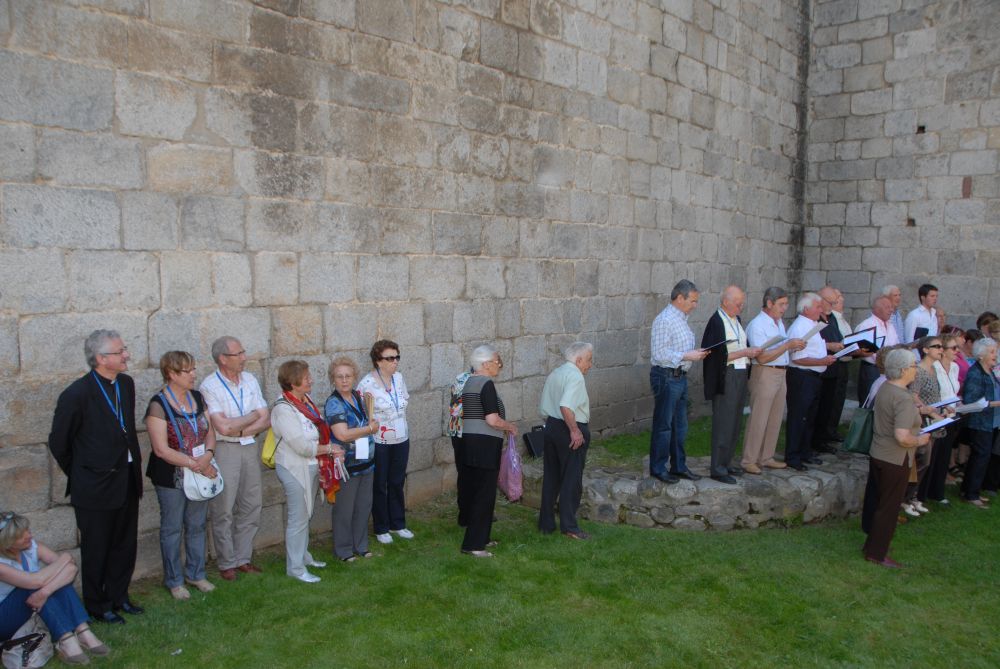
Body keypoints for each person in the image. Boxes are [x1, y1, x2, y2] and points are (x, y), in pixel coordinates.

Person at [48, 329, 143, 625]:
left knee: (124, 544)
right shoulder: (76, 394)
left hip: (127, 478)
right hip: (95, 487)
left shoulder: (125, 384)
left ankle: (119, 596)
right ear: (101, 359)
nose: (126, 355)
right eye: (120, 351)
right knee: (97, 548)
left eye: (124, 349)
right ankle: (97, 605)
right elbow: (59, 442)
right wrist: (84, 473)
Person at [145, 351, 218, 600]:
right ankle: (174, 580)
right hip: (172, 476)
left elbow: (209, 430)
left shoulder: (197, 397)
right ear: (171, 374)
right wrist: (196, 464)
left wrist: (207, 455)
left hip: (200, 470)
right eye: (187, 371)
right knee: (172, 528)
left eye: (193, 369)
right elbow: (160, 449)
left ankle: (196, 574)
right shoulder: (158, 405)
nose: (193, 374)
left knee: (197, 524)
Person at [198, 336, 270, 581]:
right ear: (222, 359)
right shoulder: (210, 386)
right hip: (225, 449)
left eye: (243, 352)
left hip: (249, 446)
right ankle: (226, 561)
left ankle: (243, 557)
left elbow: (266, 417)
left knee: (252, 503)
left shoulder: (250, 379)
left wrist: (240, 427)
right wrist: (250, 418)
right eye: (238, 354)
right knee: (224, 507)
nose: (243, 358)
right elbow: (222, 427)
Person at [0, 513, 110, 664]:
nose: (29, 535)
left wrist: (46, 591)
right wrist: (65, 558)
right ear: (7, 543)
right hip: (4, 619)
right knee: (37, 583)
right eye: (21, 535)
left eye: (27, 529)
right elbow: (35, 581)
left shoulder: (32, 547)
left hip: (31, 603)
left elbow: (71, 569)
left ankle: (83, 631)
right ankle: (65, 638)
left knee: (53, 581)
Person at [271, 361, 342, 582]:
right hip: (294, 468)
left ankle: (303, 556)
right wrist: (328, 449)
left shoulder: (304, 401)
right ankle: (295, 568)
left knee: (305, 514)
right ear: (293, 382)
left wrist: (324, 450)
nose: (311, 379)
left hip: (311, 464)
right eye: (306, 377)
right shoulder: (284, 409)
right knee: (298, 518)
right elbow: (300, 446)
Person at [862, 349, 929, 568]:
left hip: (879, 452)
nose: (915, 369)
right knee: (888, 508)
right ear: (902, 370)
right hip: (894, 458)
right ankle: (877, 553)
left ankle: (873, 545)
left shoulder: (885, 387)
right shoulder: (902, 398)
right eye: (912, 366)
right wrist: (920, 440)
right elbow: (902, 436)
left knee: (878, 502)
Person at [457, 345, 518, 557]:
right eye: (495, 361)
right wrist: (509, 426)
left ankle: (482, 537)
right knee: (484, 494)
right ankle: (473, 545)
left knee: (477, 492)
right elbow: (492, 419)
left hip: (470, 442)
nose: (498, 365)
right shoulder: (486, 384)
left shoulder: (469, 382)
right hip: (484, 444)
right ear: (485, 364)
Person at [649, 280, 710, 483]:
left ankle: (678, 466)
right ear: (679, 298)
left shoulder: (681, 319)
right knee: (664, 425)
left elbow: (677, 349)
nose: (695, 305)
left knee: (680, 426)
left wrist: (694, 354)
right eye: (693, 301)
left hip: (679, 376)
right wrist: (688, 355)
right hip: (666, 376)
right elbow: (659, 353)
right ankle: (658, 468)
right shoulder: (664, 320)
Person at [700, 286, 761, 483]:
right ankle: (717, 468)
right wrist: (745, 353)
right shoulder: (716, 322)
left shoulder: (737, 320)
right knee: (724, 421)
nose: (741, 307)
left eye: (742, 303)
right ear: (726, 302)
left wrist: (747, 353)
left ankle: (727, 462)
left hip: (741, 372)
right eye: (738, 303)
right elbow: (714, 354)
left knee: (735, 420)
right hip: (727, 374)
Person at [741, 287, 806, 474]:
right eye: (781, 304)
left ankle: (766, 456)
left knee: (775, 417)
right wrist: (787, 345)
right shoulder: (757, 324)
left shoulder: (779, 323)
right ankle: (749, 459)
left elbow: (778, 349)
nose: (784, 308)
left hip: (780, 372)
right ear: (769, 303)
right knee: (759, 417)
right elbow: (762, 356)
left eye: (786, 304)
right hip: (765, 372)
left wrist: (792, 347)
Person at [357, 340, 413, 545]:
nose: (395, 362)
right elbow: (362, 414)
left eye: (397, 357)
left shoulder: (399, 378)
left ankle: (398, 523)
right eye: (390, 358)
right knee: (380, 484)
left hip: (401, 438)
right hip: (379, 440)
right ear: (378, 361)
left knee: (397, 481)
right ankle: (381, 526)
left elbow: (404, 400)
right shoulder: (366, 384)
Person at [324, 357, 379, 562]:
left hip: (367, 462)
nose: (344, 380)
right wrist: (370, 429)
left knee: (363, 506)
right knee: (344, 510)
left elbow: (364, 420)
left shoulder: (357, 396)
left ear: (354, 377)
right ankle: (344, 550)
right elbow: (342, 434)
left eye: (348, 376)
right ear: (333, 380)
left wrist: (370, 422)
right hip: (346, 466)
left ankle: (361, 545)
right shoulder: (334, 403)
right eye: (339, 377)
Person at [538, 342, 594, 539]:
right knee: (572, 478)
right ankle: (570, 526)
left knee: (552, 476)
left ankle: (546, 523)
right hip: (569, 427)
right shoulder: (575, 376)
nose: (590, 364)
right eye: (588, 359)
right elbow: (565, 406)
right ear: (578, 360)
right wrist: (575, 431)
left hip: (552, 427)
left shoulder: (557, 372)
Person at [784, 293, 837, 471]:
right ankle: (793, 455)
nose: (821, 310)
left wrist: (825, 357)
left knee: (810, 417)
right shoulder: (800, 327)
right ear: (806, 309)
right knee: (799, 417)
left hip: (813, 376)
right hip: (802, 376)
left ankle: (804, 451)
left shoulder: (813, 324)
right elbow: (798, 358)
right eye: (818, 307)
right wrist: (822, 362)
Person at [903, 337, 949, 517]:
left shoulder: (934, 369)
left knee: (926, 461)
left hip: (933, 419)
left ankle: (914, 496)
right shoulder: (920, 371)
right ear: (925, 350)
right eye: (936, 346)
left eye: (941, 346)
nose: (940, 349)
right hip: (923, 420)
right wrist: (930, 413)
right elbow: (914, 396)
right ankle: (906, 498)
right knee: (920, 460)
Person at [923, 333, 963, 506]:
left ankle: (937, 492)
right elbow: (932, 394)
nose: (957, 351)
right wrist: (942, 409)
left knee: (944, 454)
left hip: (952, 414)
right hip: (938, 414)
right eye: (953, 348)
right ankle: (923, 492)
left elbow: (953, 392)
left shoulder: (954, 367)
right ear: (944, 351)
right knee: (933, 454)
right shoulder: (935, 368)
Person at [961, 338, 1000, 508]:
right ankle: (971, 494)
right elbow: (971, 400)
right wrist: (997, 403)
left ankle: (970, 490)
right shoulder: (976, 373)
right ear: (981, 355)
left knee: (981, 457)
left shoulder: (989, 370)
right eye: (992, 352)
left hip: (990, 421)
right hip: (979, 422)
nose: (995, 355)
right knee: (980, 457)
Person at [812, 286, 848, 454]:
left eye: (834, 302)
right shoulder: (814, 317)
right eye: (830, 302)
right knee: (816, 408)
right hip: (819, 368)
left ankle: (822, 439)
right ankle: (813, 442)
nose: (832, 306)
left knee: (828, 406)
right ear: (820, 299)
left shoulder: (831, 317)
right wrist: (829, 345)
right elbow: (808, 341)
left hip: (833, 366)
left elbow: (837, 336)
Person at [855, 295, 900, 404]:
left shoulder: (890, 325)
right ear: (877, 309)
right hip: (872, 369)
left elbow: (896, 344)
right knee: (870, 401)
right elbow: (859, 349)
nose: (891, 310)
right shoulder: (866, 325)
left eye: (891, 307)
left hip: (889, 370)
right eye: (887, 307)